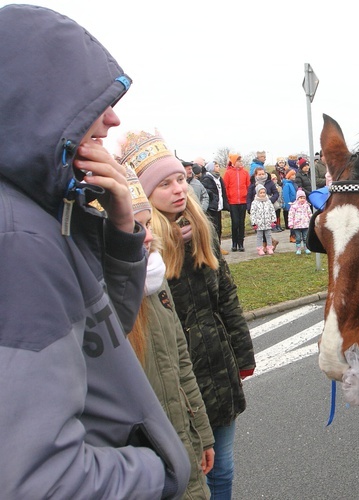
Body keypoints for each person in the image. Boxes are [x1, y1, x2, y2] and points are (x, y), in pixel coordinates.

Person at [0, 5, 190, 498]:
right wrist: (162, 470)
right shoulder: (19, 238)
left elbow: (101, 333)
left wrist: (122, 227)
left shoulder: (39, 213)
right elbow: (40, 481)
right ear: (41, 102)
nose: (113, 117)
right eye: (94, 101)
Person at [124, 130, 256, 500]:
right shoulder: (146, 249)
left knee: (224, 466)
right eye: (164, 184)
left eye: (180, 178)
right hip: (180, 378)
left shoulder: (202, 231)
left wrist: (242, 355)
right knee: (191, 471)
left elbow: (226, 296)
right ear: (145, 195)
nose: (178, 189)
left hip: (217, 366)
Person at [126, 174, 215, 499]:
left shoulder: (153, 280)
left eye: (147, 224)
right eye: (134, 226)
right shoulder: (104, 308)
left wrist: (203, 435)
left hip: (186, 438)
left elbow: (180, 365)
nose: (147, 237)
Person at [247, 167, 280, 251]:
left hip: (268, 208)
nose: (261, 176)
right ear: (256, 175)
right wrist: (249, 207)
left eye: (263, 174)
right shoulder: (252, 185)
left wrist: (270, 201)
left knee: (267, 228)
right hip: (258, 209)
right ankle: (270, 242)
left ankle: (266, 245)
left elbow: (276, 193)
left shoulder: (270, 183)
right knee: (260, 228)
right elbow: (249, 197)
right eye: (259, 174)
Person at [224, 153, 250, 251]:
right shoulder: (228, 173)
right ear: (234, 162)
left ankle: (241, 243)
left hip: (243, 201)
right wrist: (227, 200)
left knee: (241, 223)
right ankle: (234, 243)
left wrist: (247, 198)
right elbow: (225, 187)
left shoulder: (245, 173)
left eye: (240, 161)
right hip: (233, 202)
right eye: (238, 161)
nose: (240, 163)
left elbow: (248, 186)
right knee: (235, 223)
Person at [201, 160, 229, 254]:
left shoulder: (219, 178)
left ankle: (218, 247)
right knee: (213, 229)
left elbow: (222, 192)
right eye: (216, 166)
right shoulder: (207, 178)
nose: (218, 168)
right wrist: (213, 199)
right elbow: (207, 192)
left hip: (218, 206)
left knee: (219, 228)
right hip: (211, 207)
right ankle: (213, 249)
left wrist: (225, 204)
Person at [249, 184, 277, 256]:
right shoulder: (255, 203)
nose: (262, 194)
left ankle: (269, 248)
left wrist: (273, 220)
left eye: (264, 192)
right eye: (260, 193)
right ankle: (260, 248)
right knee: (259, 236)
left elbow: (272, 211)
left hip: (267, 222)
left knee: (268, 235)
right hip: (259, 223)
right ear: (257, 193)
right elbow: (253, 213)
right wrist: (254, 223)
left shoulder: (268, 201)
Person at [288, 188, 313, 254]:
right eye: (300, 198)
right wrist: (291, 223)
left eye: (303, 198)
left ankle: (306, 248)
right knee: (298, 238)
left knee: (305, 237)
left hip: (305, 224)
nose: (302, 199)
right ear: (297, 198)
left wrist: (312, 221)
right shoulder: (294, 206)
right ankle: (298, 249)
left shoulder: (307, 205)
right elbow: (291, 215)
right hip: (297, 225)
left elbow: (310, 213)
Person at [283, 170, 298, 238]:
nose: (293, 176)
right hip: (291, 205)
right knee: (292, 221)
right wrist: (289, 206)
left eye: (294, 175)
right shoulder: (287, 185)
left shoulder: (294, 184)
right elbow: (286, 196)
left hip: (296, 205)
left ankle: (296, 235)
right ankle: (292, 235)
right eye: (292, 175)